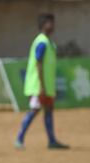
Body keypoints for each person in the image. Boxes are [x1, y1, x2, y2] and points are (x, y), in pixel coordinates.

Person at [16, 13, 69, 150]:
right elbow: (38, 63)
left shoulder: (50, 42)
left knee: (49, 111)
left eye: (53, 22)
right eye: (49, 22)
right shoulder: (41, 42)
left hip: (47, 86)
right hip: (39, 85)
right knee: (34, 110)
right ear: (43, 25)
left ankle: (52, 141)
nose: (52, 25)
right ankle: (19, 139)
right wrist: (41, 86)